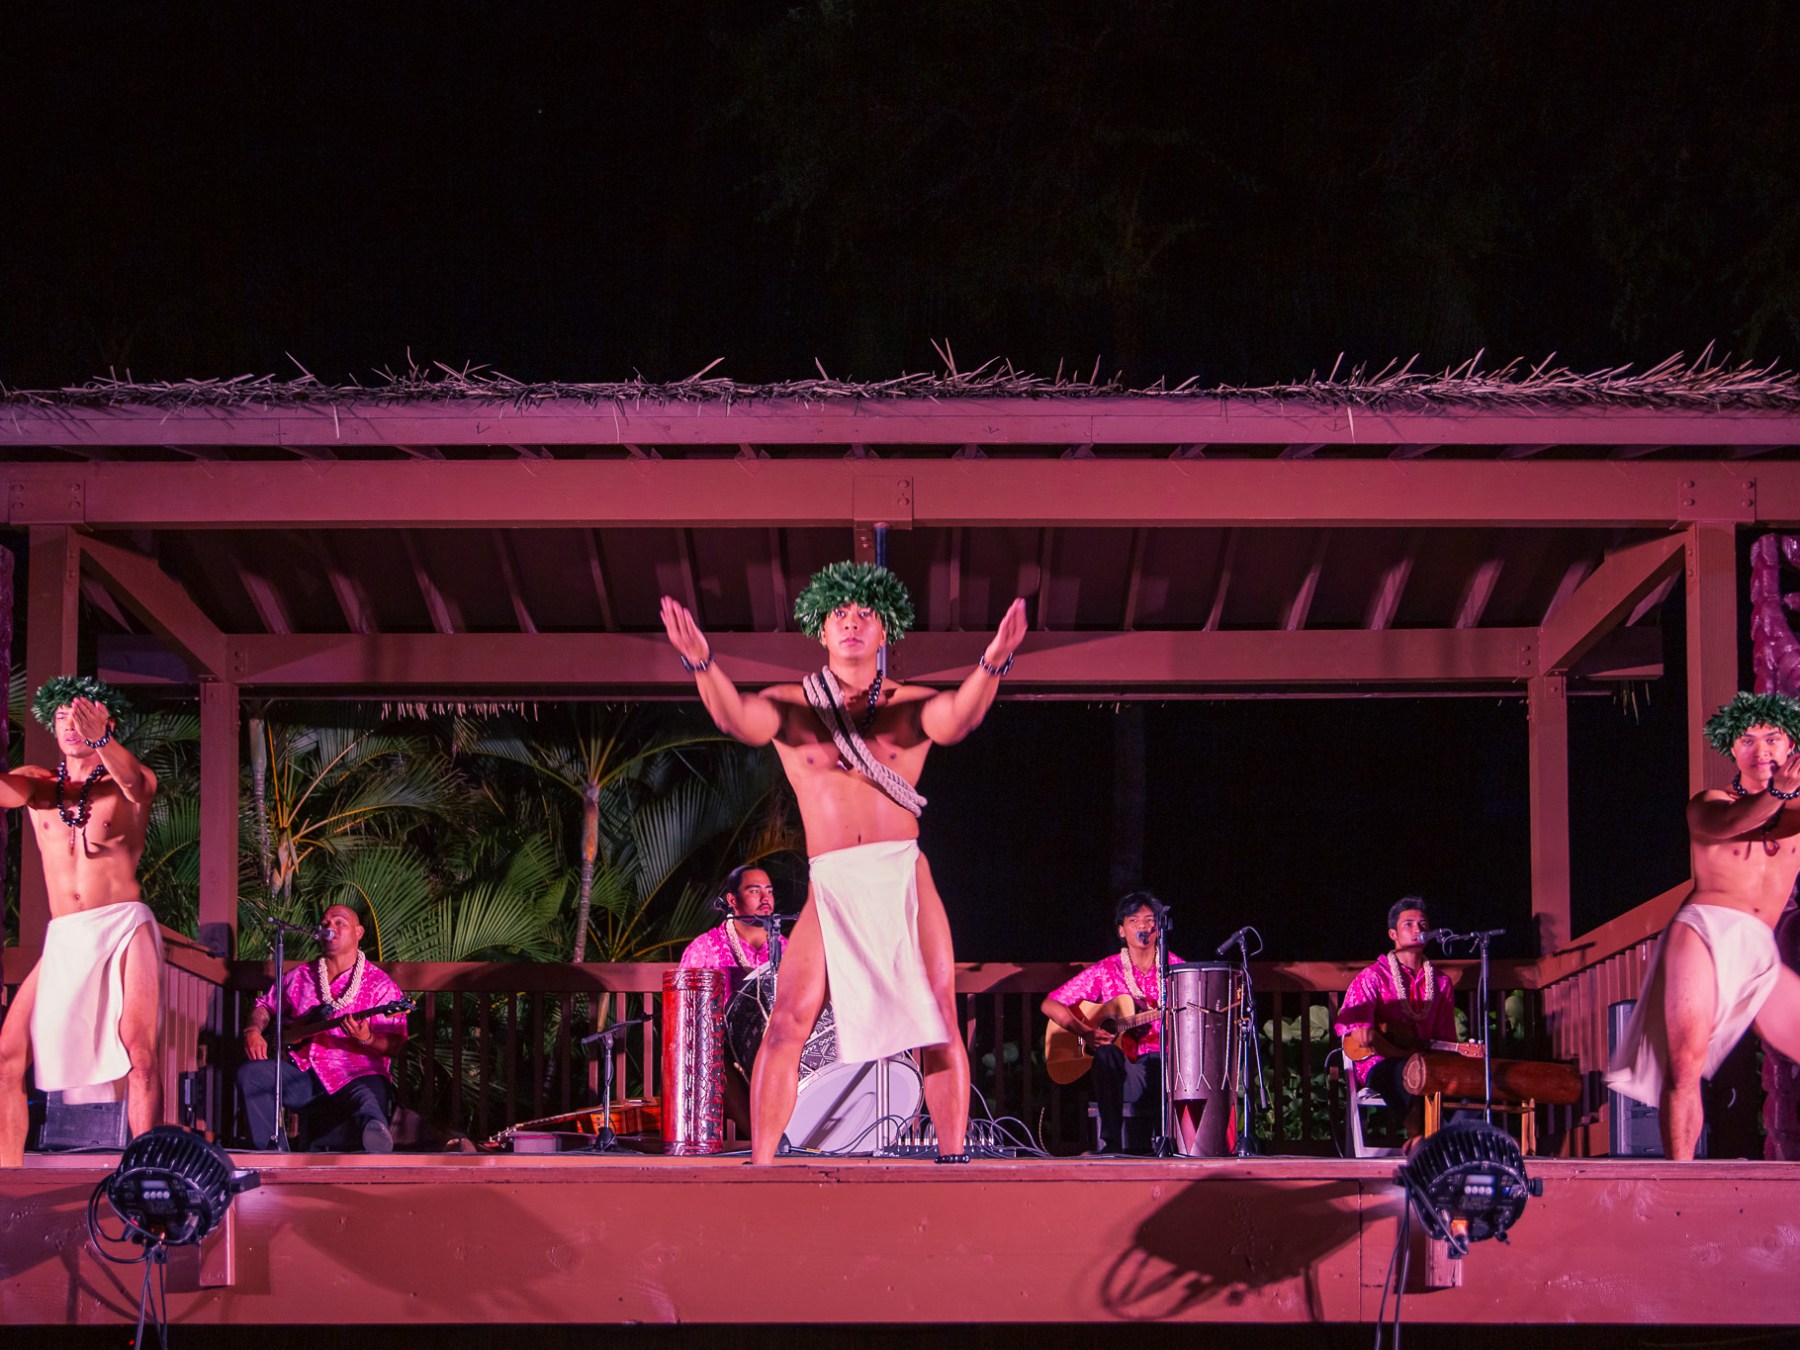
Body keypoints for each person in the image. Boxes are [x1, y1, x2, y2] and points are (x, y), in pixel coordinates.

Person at [661, 560, 1026, 1164]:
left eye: (865, 615)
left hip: (901, 872)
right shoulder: (791, 706)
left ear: (885, 631)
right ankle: (763, 1164)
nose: (851, 624)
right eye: (839, 615)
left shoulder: (910, 706)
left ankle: (955, 1161)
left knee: (937, 1021)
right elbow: (735, 718)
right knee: (785, 1024)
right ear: (821, 630)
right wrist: (702, 662)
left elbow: (961, 717)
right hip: (832, 880)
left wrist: (993, 661)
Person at [1606, 692, 1800, 1160]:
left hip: (1758, 948)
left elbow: (1785, 819)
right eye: (1748, 740)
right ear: (1732, 750)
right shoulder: (1708, 803)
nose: (1762, 750)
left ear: (1791, 743)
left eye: (1773, 738)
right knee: (1685, 1064)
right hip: (1704, 931)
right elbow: (1736, 820)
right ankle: (1679, 1178)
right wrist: (1779, 793)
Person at [0, 677, 162, 1168]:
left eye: (82, 718)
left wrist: (101, 743)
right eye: (62, 719)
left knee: (139, 1050)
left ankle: (144, 1168)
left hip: (121, 926)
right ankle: (7, 1177)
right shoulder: (39, 783)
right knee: (8, 1053)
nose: (70, 727)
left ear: (106, 722)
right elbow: (8, 792)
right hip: (66, 936)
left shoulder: (130, 781)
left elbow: (136, 783)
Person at [238, 903, 409, 1152]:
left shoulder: (380, 985)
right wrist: (252, 1031)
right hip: (304, 1075)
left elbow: (395, 1045)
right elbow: (265, 1006)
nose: (331, 928)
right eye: (326, 924)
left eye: (340, 922)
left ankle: (376, 1141)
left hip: (356, 1076)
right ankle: (272, 1155)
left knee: (369, 1103)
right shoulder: (300, 977)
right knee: (251, 1077)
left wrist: (368, 1038)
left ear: (358, 933)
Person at [1041, 893, 1182, 1155]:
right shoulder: (1107, 970)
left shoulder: (1175, 969)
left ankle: (1169, 1147)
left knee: (1164, 1061)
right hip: (1125, 1071)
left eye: (1150, 920)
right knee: (1107, 1054)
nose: (1143, 926)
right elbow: (1050, 1004)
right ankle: (1112, 1145)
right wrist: (1086, 1032)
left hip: (1165, 1066)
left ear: (1159, 929)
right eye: (1134, 920)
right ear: (1121, 930)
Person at [1334, 897, 1480, 1145]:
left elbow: (1443, 1040)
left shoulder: (1441, 983)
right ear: (1393, 933)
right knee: (1405, 1072)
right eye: (1409, 924)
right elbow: (1356, 1028)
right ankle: (1425, 1142)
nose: (1418, 930)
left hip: (1424, 1060)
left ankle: (1450, 1143)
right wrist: (1367, 1032)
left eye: (1423, 924)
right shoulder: (1373, 977)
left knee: (1471, 1080)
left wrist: (1458, 1053)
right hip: (1378, 1063)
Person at [677, 864, 785, 1136]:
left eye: (769, 890)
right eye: (754, 890)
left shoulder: (785, 946)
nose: (765, 898)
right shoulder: (705, 948)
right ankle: (764, 1138)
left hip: (779, 1043)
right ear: (732, 900)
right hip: (726, 1047)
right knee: (715, 1057)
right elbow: (685, 1009)